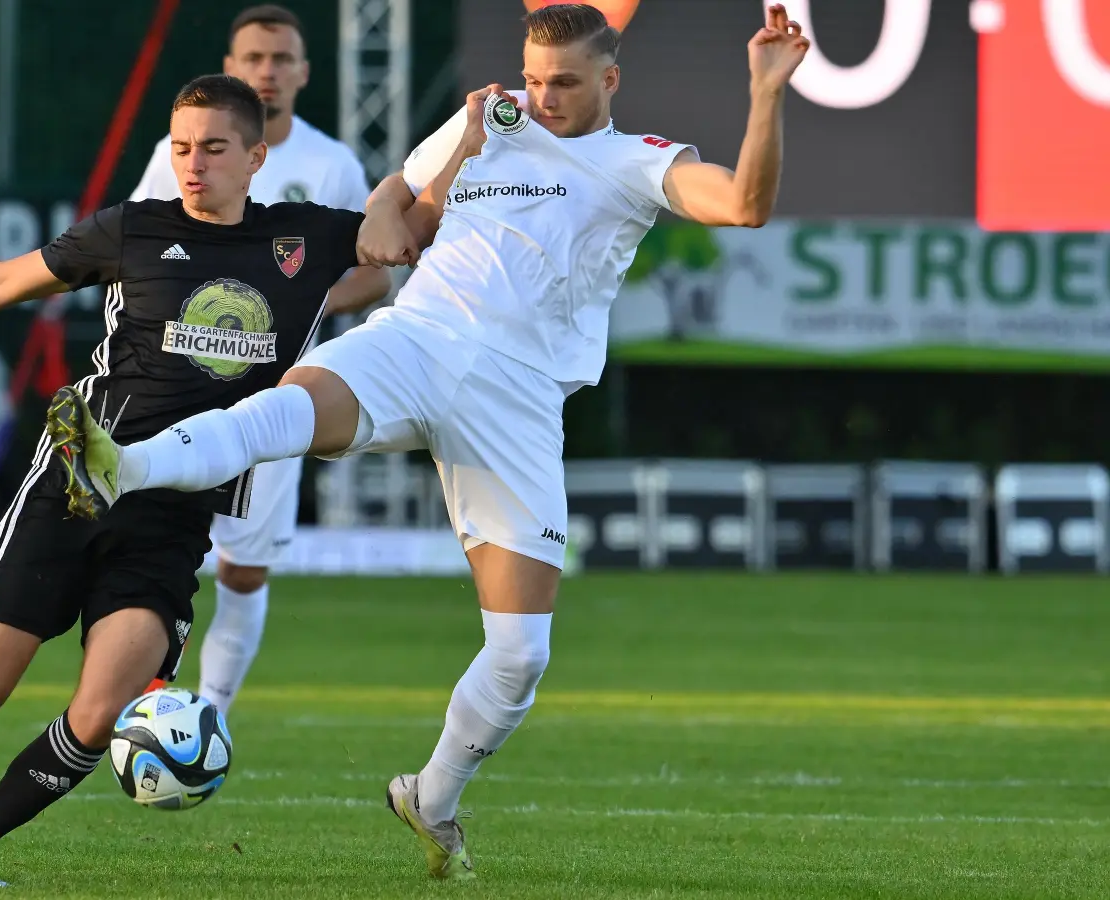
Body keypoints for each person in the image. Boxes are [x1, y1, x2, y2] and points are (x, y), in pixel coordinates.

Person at [47, 3, 811, 880]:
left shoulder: (636, 163)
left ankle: (432, 797)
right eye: (533, 76)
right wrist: (391, 206)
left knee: (522, 655)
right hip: (416, 340)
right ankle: (121, 464)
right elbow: (396, 197)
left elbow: (746, 205)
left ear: (610, 81)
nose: (543, 96)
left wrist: (764, 94)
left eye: (564, 82)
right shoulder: (493, 115)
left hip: (518, 398)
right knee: (288, 406)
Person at [0, 74, 371, 887]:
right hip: (75, 488)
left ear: (257, 157)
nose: (193, 165)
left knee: (97, 714)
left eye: (215, 149)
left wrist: (485, 134)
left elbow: (419, 228)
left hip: (173, 519)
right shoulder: (134, 229)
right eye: (181, 147)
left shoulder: (310, 240)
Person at [128, 3, 389, 714]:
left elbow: (376, 270)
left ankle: (211, 713)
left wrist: (305, 304)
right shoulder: (175, 152)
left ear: (304, 72)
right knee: (153, 550)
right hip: (176, 386)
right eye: (252, 59)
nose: (266, 72)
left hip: (272, 398)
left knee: (243, 570)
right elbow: (134, 249)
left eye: (280, 60)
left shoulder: (331, 163)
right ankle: (148, 698)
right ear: (231, 66)